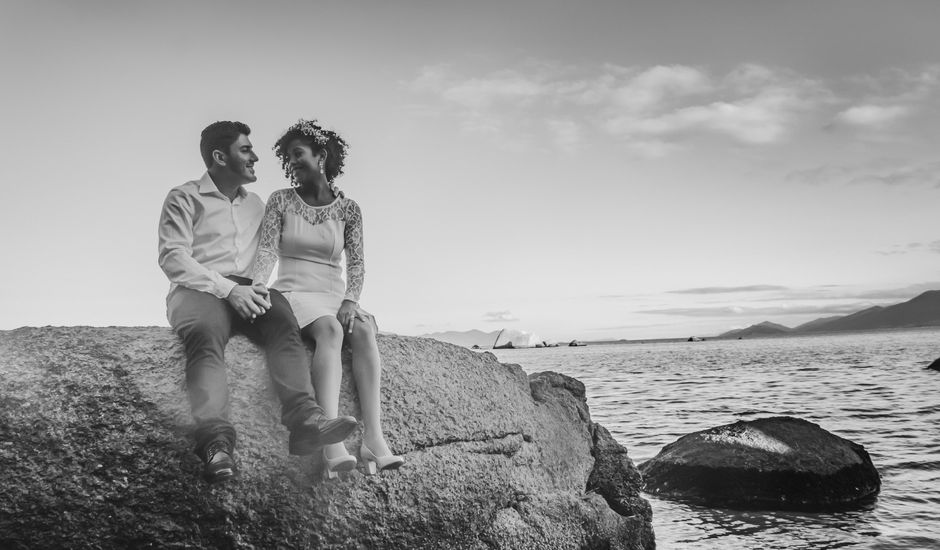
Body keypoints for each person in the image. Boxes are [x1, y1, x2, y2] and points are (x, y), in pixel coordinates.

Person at [158, 120, 359, 483]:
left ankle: (305, 423)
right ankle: (215, 443)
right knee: (205, 336)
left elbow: (281, 247)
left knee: (284, 321)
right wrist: (227, 289)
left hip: (248, 292)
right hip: (197, 291)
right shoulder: (183, 197)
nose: (255, 157)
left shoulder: (258, 205)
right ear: (220, 156)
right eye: (246, 150)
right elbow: (173, 258)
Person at [250, 119, 403, 477]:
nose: (292, 161)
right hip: (295, 290)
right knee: (331, 332)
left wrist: (351, 298)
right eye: (288, 157)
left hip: (334, 292)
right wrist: (258, 286)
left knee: (363, 330)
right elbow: (267, 252)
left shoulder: (349, 210)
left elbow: (358, 263)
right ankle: (331, 441)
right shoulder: (280, 201)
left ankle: (374, 440)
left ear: (322, 155)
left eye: (299, 153)